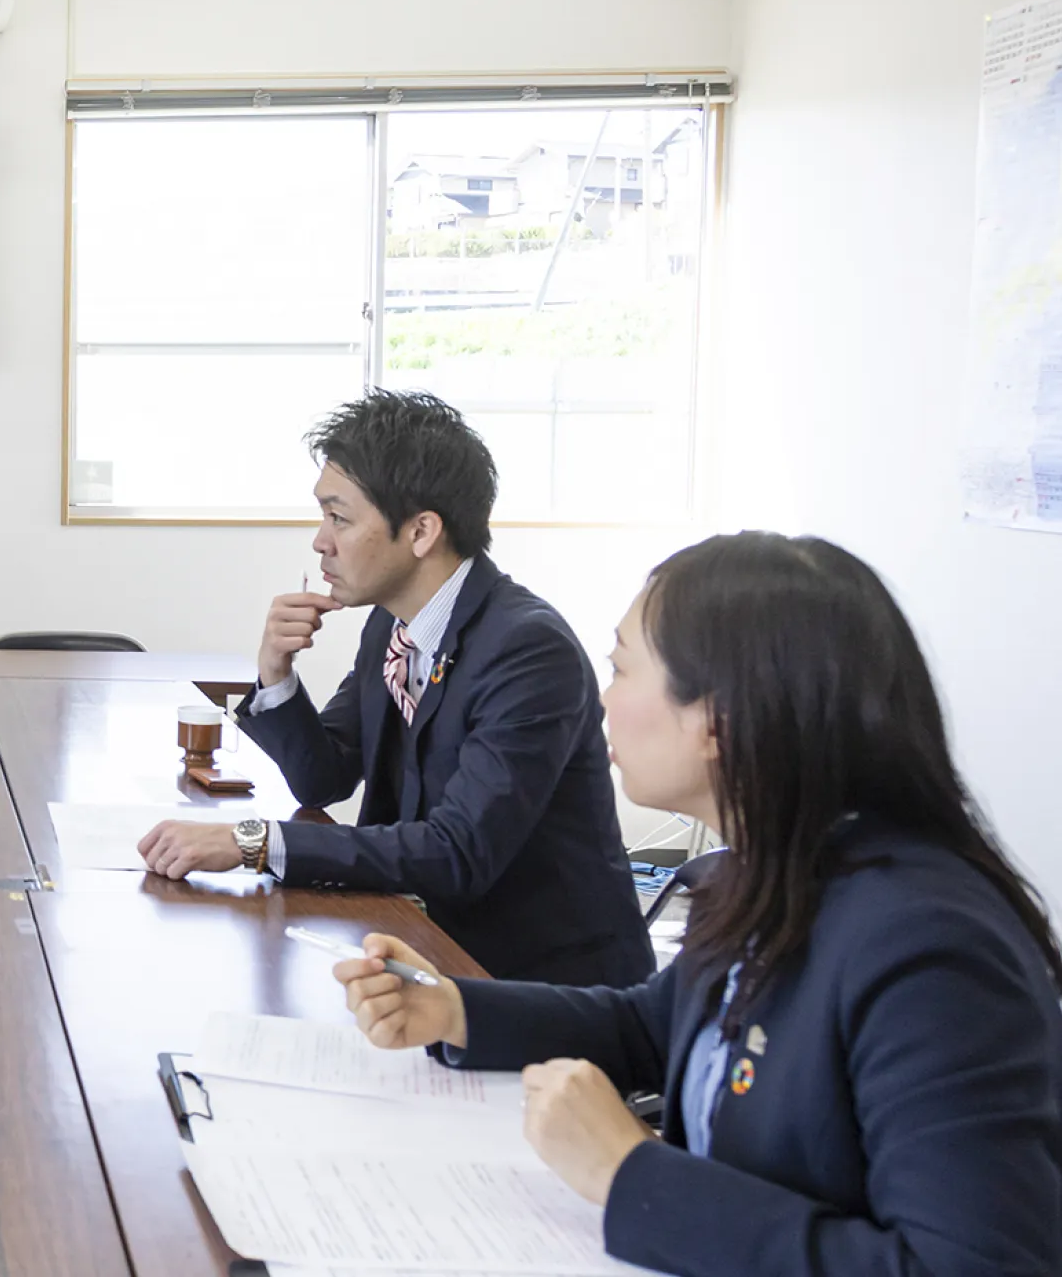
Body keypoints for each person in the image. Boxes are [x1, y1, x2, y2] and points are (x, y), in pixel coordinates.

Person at [331, 532, 1062, 1276]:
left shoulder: (929, 949)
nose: (604, 696)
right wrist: (457, 1009)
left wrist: (630, 1176)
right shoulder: (773, 869)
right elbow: (655, 1024)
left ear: (718, 719)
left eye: (619, 668)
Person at [139, 390, 650, 987]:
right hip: (417, 946)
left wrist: (251, 842)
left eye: (340, 517)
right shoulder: (393, 624)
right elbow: (324, 777)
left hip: (534, 985)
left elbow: (456, 853)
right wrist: (276, 673)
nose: (320, 541)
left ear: (421, 531)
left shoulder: (527, 651)